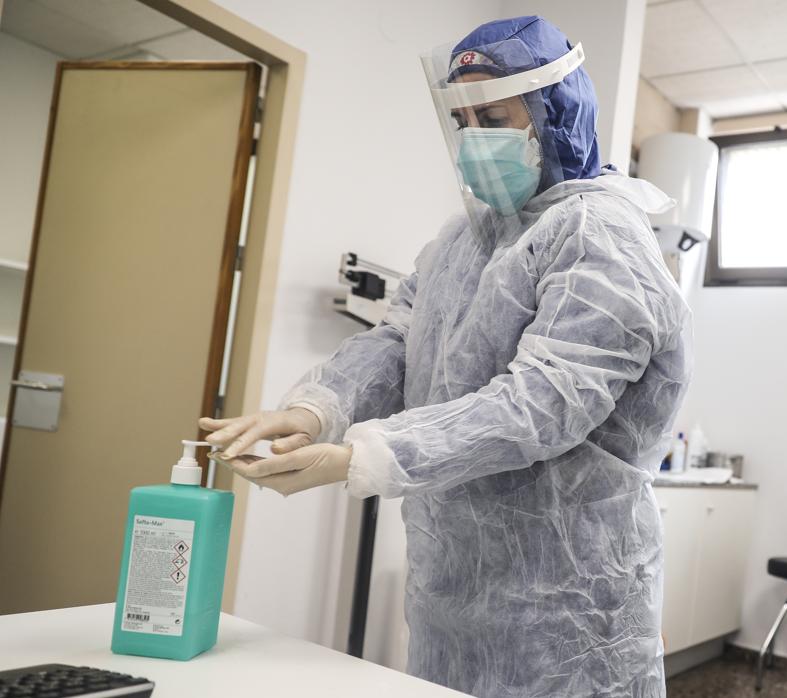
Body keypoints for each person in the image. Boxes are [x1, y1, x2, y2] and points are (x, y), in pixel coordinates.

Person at [199, 15, 690, 698]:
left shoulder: (600, 236)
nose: (474, 138)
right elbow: (400, 342)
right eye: (464, 121)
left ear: (555, 115)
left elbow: (541, 404)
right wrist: (317, 411)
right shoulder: (464, 240)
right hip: (451, 593)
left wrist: (363, 456)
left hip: (571, 611)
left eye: (493, 115)